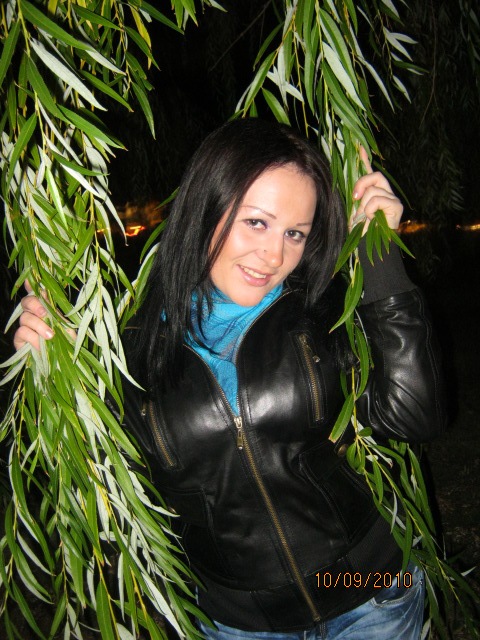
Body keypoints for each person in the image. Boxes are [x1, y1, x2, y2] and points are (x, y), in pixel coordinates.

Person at [14, 119, 445, 639]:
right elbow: (99, 490)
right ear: (205, 210)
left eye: (294, 234)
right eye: (257, 223)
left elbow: (414, 416)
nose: (274, 256)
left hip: (369, 591)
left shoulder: (320, 309)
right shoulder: (128, 346)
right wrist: (54, 379)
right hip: (242, 622)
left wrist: (379, 253)